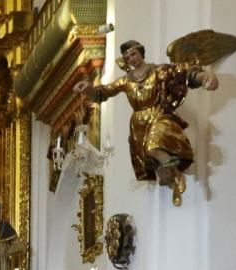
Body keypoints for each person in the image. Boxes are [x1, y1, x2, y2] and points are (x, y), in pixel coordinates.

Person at [75, 39, 220, 205]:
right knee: (150, 156)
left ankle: (173, 170)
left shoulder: (159, 71)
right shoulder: (126, 81)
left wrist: (205, 77)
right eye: (128, 57)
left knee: (153, 147)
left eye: (134, 54)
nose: (132, 59)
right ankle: (170, 173)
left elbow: (183, 74)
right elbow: (103, 93)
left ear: (141, 53)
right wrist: (87, 89)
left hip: (159, 116)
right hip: (139, 126)